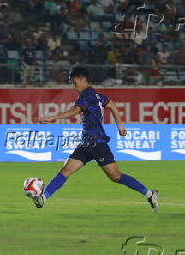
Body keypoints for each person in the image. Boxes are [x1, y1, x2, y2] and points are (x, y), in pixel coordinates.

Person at [31, 66, 158, 212]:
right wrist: (120, 125)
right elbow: (112, 106)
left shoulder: (87, 95)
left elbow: (75, 111)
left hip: (97, 143)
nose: (74, 87)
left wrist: (53, 117)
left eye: (74, 83)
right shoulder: (98, 96)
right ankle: (43, 197)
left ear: (82, 79)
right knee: (66, 170)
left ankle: (149, 194)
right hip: (87, 143)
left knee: (115, 176)